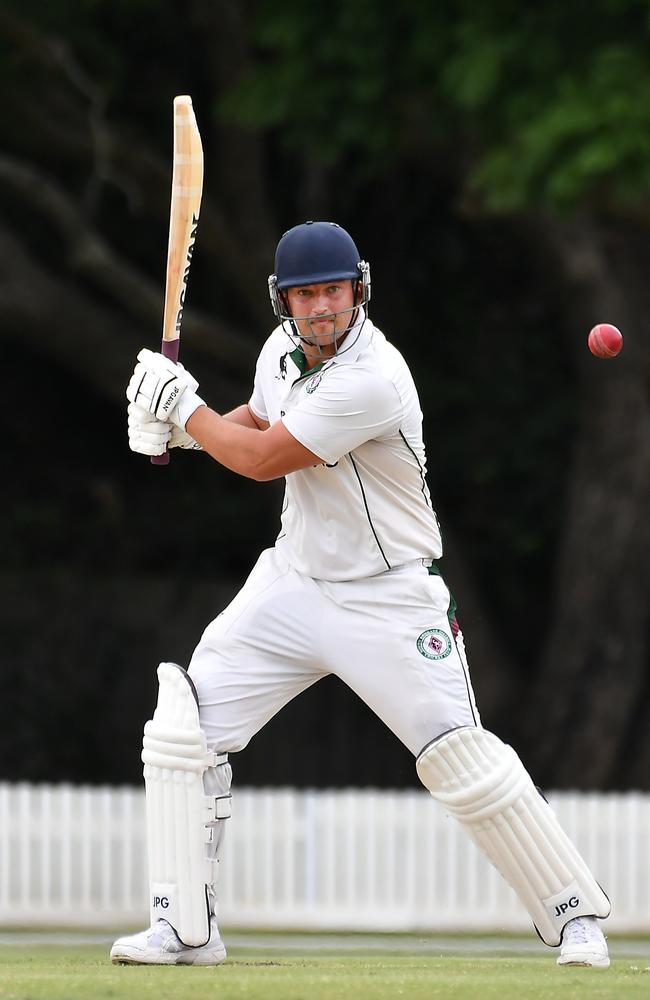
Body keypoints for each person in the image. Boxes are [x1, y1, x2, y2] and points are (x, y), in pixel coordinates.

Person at [111, 221, 610, 968]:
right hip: (294, 582)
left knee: (459, 759)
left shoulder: (374, 378)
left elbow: (261, 459)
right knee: (185, 731)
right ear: (284, 300)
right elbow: (255, 421)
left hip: (389, 598)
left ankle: (576, 918)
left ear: (359, 291)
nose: (321, 309)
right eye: (306, 294)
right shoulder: (279, 356)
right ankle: (184, 928)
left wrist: (184, 411)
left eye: (333, 292)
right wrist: (179, 432)